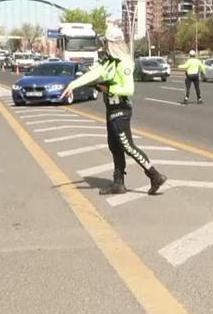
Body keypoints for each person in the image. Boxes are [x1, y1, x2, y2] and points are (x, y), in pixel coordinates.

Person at [61, 24, 167, 196]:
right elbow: (94, 73)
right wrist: (73, 84)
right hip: (111, 109)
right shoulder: (110, 61)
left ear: (112, 43)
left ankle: (154, 175)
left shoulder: (124, 62)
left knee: (128, 146)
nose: (103, 45)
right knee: (114, 146)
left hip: (121, 110)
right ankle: (118, 183)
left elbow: (128, 89)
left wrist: (107, 89)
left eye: (106, 42)